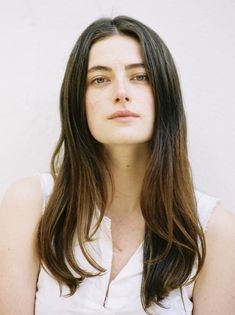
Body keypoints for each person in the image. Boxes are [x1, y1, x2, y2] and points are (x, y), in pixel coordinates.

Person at [0, 15, 235, 315]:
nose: (121, 92)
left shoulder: (213, 230)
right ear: (77, 102)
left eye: (140, 77)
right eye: (100, 79)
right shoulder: (31, 205)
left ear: (165, 94)